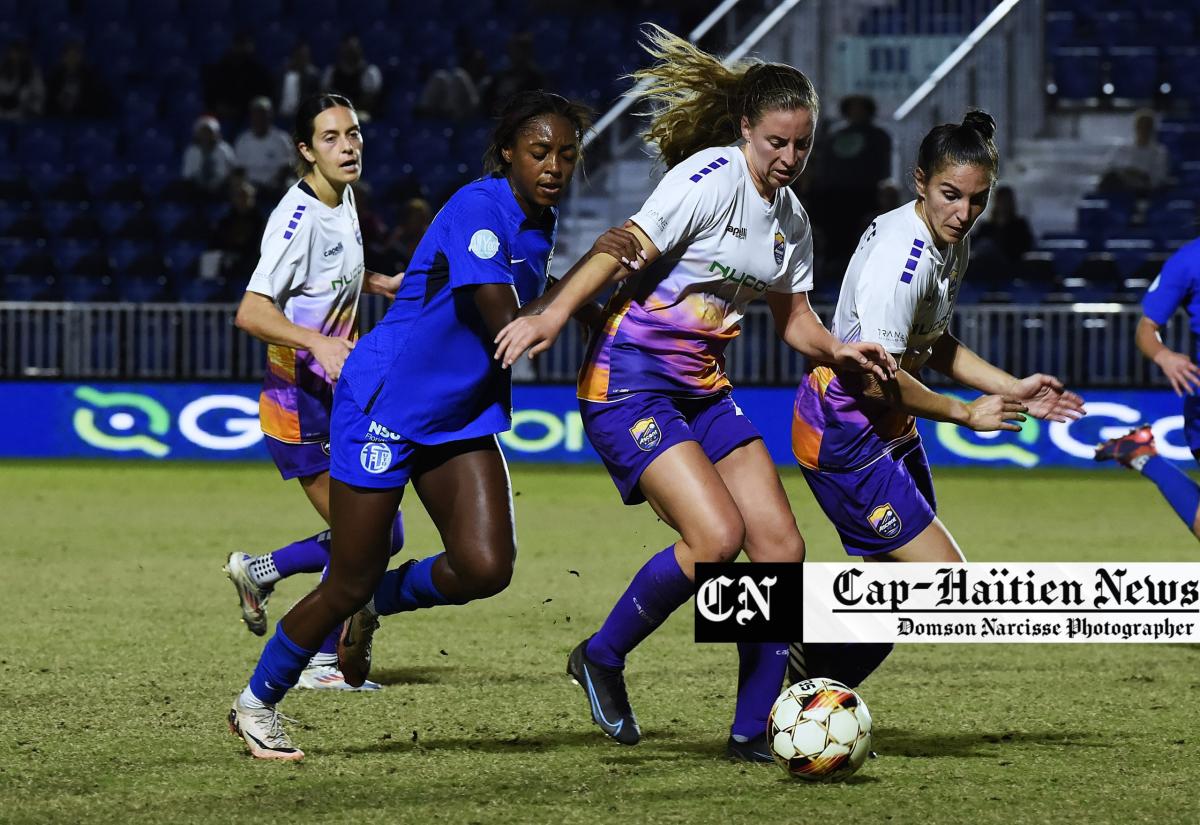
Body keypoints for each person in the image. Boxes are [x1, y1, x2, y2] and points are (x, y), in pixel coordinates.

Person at [491, 25, 896, 762]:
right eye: (777, 141)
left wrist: (839, 346)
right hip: (630, 384)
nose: (789, 158)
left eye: (801, 145)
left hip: (703, 393)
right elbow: (621, 245)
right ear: (746, 128)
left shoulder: (793, 221)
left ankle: (750, 732)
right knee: (716, 540)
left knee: (780, 547)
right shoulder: (709, 180)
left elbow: (795, 319)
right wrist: (550, 314)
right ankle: (602, 656)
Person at [226, 90, 640, 761]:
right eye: (539, 152)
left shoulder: (538, 216)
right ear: (508, 151)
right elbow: (508, 327)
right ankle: (256, 703)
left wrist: (601, 313)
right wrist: (591, 277)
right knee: (347, 578)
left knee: (485, 565)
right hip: (387, 405)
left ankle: (377, 605)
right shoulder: (480, 207)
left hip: (457, 415)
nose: (554, 165)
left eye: (566, 153)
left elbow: (532, 279)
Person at [787, 111, 1086, 688]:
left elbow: (933, 342)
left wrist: (1008, 387)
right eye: (952, 195)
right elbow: (876, 378)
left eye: (978, 199)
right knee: (944, 584)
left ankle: (811, 691)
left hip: (887, 429)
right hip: (845, 431)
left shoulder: (945, 239)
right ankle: (798, 665)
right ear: (919, 180)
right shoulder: (902, 265)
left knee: (897, 593)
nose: (965, 213)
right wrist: (964, 413)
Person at [223, 94, 405, 697]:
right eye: (329, 138)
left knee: (382, 533)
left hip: (339, 395)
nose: (347, 146)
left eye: (352, 133)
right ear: (305, 150)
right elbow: (250, 311)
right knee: (371, 537)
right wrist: (316, 343)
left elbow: (332, 274)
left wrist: (379, 282)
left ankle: (260, 571)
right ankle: (323, 662)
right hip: (298, 403)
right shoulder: (294, 219)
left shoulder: (344, 193)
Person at [1094, 237, 1200, 541]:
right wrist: (1164, 355)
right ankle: (1141, 455)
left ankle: (1140, 454)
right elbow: (1146, 328)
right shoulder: (1189, 260)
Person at [234, 96, 295, 196]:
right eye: (256, 114)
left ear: (269, 116)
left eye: (263, 114)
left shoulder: (281, 139)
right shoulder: (243, 140)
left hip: (275, 185)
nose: (259, 117)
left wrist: (275, 183)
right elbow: (239, 169)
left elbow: (287, 166)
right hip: (250, 186)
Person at [1100, 109, 1170, 195]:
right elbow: (1109, 166)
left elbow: (1159, 178)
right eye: (1141, 126)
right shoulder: (1123, 148)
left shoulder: (1159, 152)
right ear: (1136, 127)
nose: (1143, 130)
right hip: (1122, 185)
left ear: (1151, 129)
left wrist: (1140, 175)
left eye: (1146, 127)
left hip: (1145, 189)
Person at [322, 35, 383, 119]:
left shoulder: (370, 72)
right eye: (348, 49)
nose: (351, 53)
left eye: (354, 49)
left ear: (360, 50)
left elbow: (370, 101)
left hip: (359, 114)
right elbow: (325, 95)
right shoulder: (332, 71)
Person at [180, 115, 237, 196]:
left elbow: (229, 175)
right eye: (203, 132)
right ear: (198, 134)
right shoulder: (191, 151)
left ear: (216, 134)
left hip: (219, 189)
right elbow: (187, 176)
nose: (206, 136)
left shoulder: (225, 151)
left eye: (209, 132)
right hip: (196, 189)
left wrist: (215, 184)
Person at [278, 42, 322, 119]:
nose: (301, 59)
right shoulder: (282, 74)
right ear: (294, 56)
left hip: (303, 117)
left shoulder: (313, 77)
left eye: (304, 56)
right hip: (281, 116)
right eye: (299, 56)